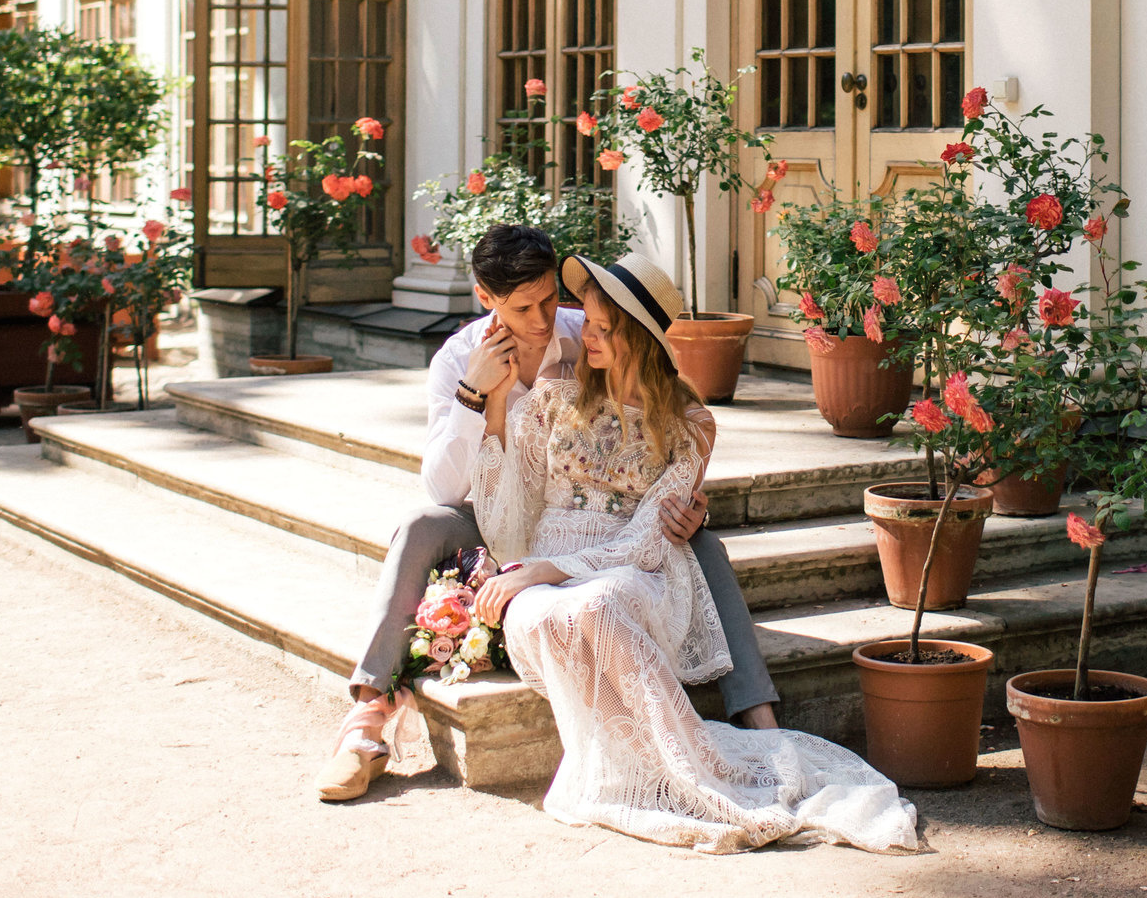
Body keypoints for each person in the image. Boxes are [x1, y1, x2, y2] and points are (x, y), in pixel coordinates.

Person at [463, 249, 918, 852]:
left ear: (641, 338)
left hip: (634, 569)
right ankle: (637, 773)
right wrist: (494, 403)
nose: (583, 336)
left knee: (597, 605)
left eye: (602, 328)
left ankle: (696, 772)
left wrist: (552, 569)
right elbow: (505, 519)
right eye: (588, 324)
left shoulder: (689, 423)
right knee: (546, 611)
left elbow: (651, 538)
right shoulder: (552, 396)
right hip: (544, 572)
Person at [315, 225, 781, 802]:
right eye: (523, 307)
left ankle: (754, 712)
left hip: (603, 526)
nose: (542, 321)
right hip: (490, 510)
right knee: (417, 526)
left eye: (548, 300)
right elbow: (441, 487)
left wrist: (686, 506)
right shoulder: (457, 359)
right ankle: (365, 723)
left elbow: (649, 430)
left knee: (701, 543)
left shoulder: (586, 330)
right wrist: (475, 396)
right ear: (486, 298)